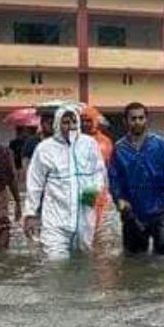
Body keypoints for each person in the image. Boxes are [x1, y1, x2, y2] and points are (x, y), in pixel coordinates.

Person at [22, 105, 106, 258]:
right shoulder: (45, 149)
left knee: (83, 262)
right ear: (57, 124)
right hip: (55, 219)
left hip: (84, 215)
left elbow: (99, 172)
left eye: (74, 122)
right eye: (66, 122)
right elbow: (34, 184)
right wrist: (30, 214)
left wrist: (92, 192)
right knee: (55, 264)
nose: (71, 126)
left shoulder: (89, 144)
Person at [108, 102, 164, 255]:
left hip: (159, 209)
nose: (137, 122)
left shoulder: (160, 145)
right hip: (132, 211)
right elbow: (114, 179)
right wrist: (118, 199)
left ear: (146, 120)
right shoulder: (119, 149)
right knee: (134, 259)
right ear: (125, 121)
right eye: (133, 118)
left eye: (141, 118)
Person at [80, 107, 115, 231]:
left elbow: (110, 166)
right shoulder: (74, 140)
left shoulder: (105, 141)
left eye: (89, 120)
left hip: (96, 187)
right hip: (79, 186)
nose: (85, 124)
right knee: (84, 222)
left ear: (95, 121)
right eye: (82, 121)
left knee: (93, 223)